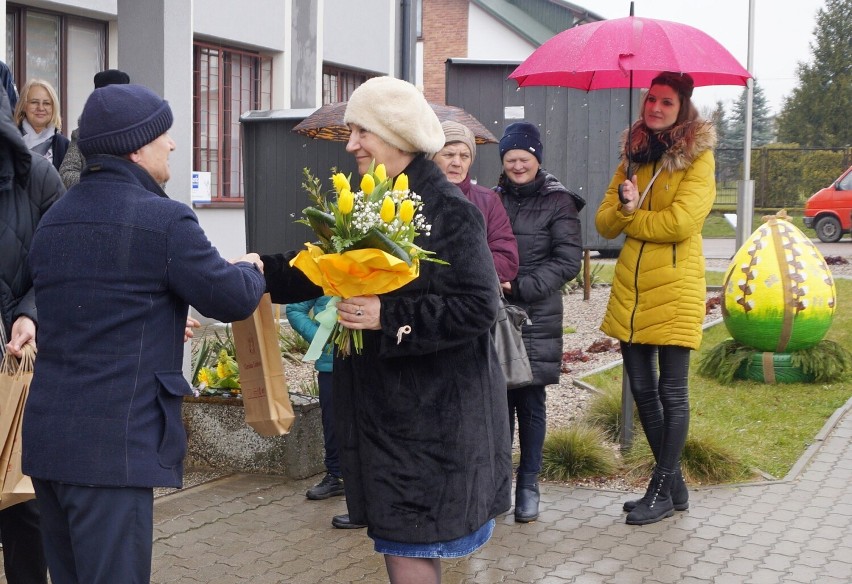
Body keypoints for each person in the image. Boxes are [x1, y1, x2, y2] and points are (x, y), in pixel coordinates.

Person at [20, 83, 314, 584]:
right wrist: (252, 268)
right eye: (165, 135)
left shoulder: (56, 218)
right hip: (114, 450)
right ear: (136, 145)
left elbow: (91, 308)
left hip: (50, 444)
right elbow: (231, 298)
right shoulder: (163, 219)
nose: (173, 145)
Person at [263, 76, 512, 584]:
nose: (350, 143)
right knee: (401, 540)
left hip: (429, 419)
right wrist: (256, 271)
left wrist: (389, 317)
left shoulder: (447, 209)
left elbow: (478, 305)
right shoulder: (373, 198)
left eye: (360, 132)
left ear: (396, 134)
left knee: (408, 544)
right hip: (393, 415)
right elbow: (324, 263)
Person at [595, 71, 717, 526]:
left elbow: (681, 224)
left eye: (666, 102)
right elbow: (605, 224)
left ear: (682, 107)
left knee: (672, 392)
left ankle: (660, 490)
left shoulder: (697, 160)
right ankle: (675, 488)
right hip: (632, 288)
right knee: (643, 391)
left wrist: (634, 218)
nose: (655, 108)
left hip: (676, 285)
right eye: (650, 99)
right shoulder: (633, 157)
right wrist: (625, 207)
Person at [495, 121, 584, 523]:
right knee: (497, 402)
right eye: (511, 159)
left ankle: (528, 483)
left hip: (535, 313)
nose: (517, 166)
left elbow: (567, 260)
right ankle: (497, 485)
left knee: (530, 401)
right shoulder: (491, 198)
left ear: (537, 159)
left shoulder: (559, 201)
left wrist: (520, 285)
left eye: (524, 159)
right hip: (496, 314)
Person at [0, 74, 63, 584]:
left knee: (23, 504)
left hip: (16, 366)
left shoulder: (40, 178)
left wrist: (30, 312)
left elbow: (60, 264)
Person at [432, 120, 519, 283]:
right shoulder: (412, 196)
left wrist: (454, 270)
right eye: (449, 154)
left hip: (473, 301)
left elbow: (506, 261)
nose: (457, 163)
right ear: (432, 157)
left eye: (465, 156)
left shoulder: (488, 201)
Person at [59, 69, 130, 189]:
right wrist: (97, 183)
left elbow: (156, 176)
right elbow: (66, 173)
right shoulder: (82, 133)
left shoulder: (137, 131)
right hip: (92, 202)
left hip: (133, 202)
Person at [13, 79, 69, 172]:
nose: (41, 108)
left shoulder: (65, 146)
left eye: (46, 103)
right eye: (34, 102)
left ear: (53, 108)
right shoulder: (7, 141)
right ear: (23, 105)